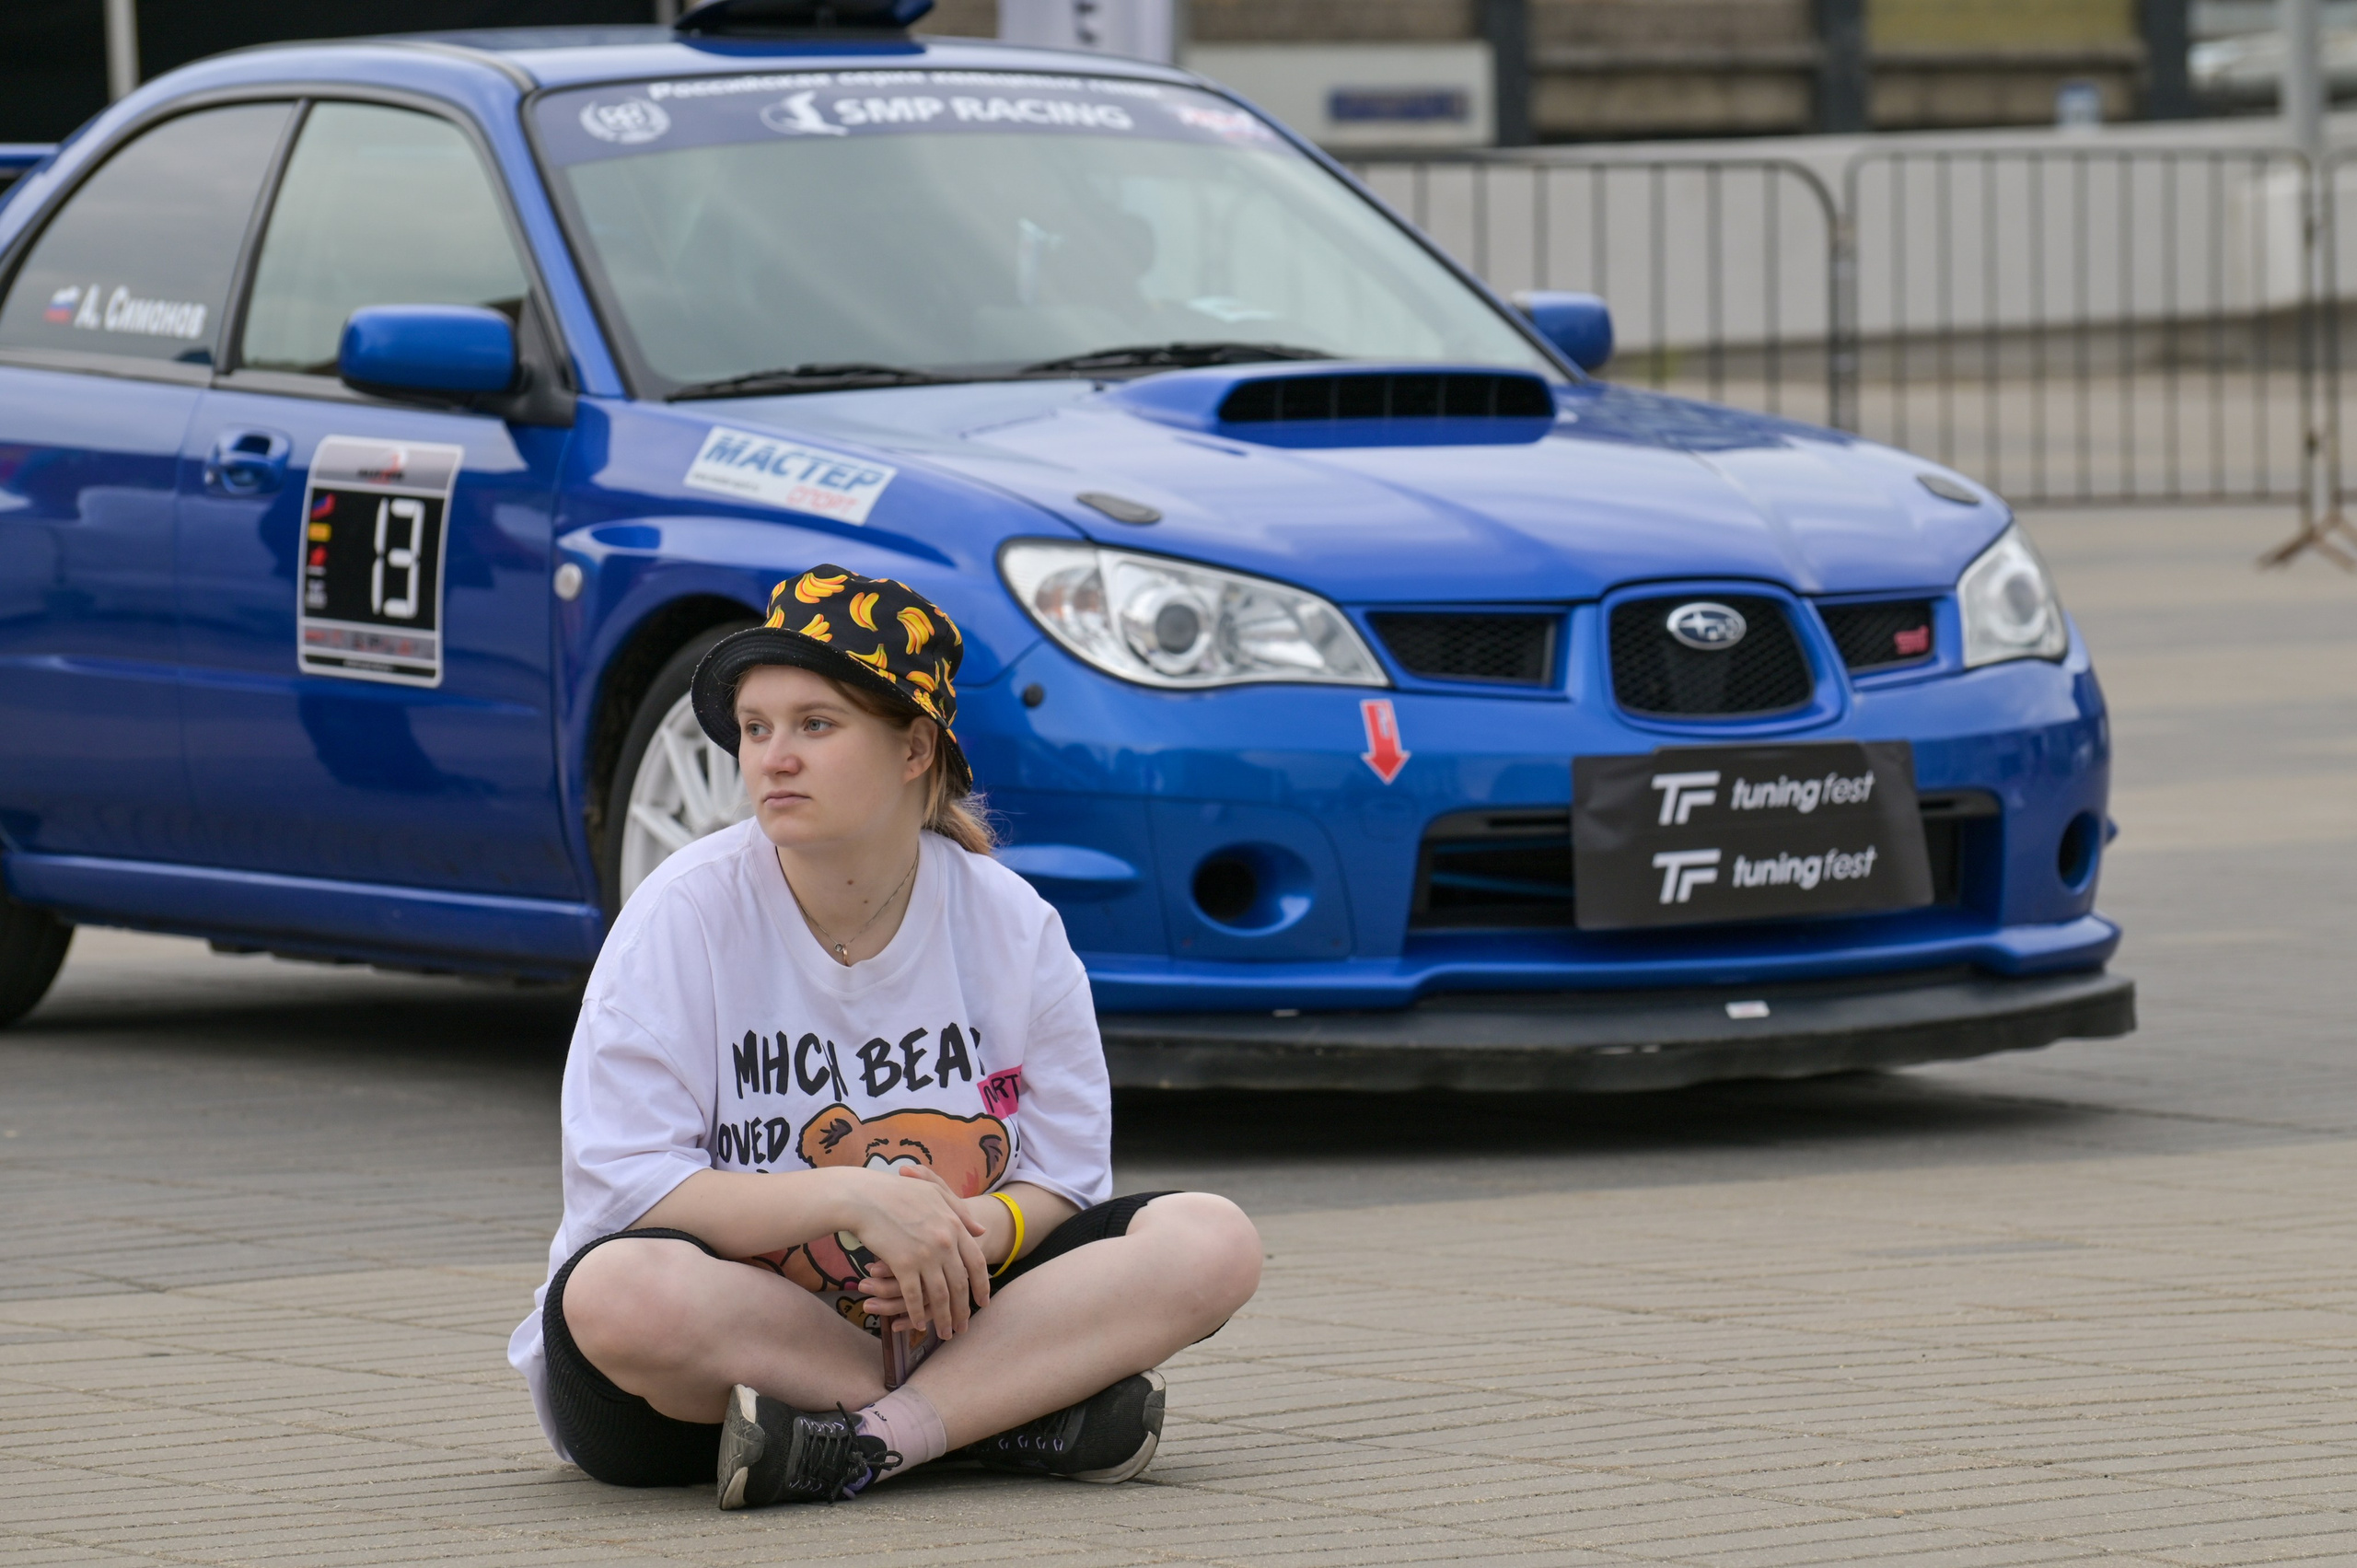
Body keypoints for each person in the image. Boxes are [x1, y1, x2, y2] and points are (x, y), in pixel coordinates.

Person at [505, 565, 1263, 1509]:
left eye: (815, 725)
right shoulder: (683, 912)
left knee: (1211, 1238)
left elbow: (1066, 1179)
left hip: (957, 1308)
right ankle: (998, 1416)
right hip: (711, 1369)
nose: (772, 757)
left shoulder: (1009, 922)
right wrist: (859, 1198)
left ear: (914, 748)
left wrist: (978, 1228)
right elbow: (628, 1180)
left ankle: (869, 1440)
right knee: (616, 1290)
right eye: (756, 727)